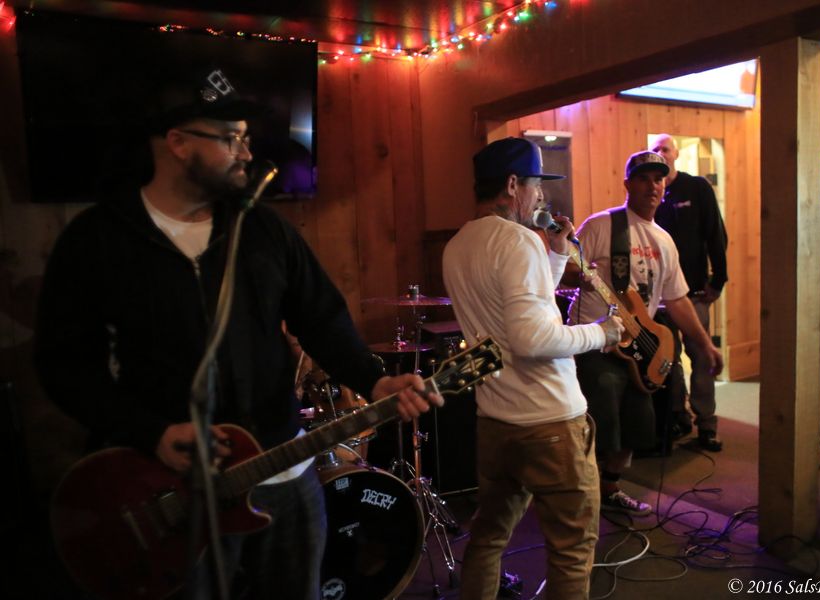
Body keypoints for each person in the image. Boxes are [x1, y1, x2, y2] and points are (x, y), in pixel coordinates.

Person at [33, 66, 442, 600]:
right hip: (174, 490)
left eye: (246, 138)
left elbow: (321, 317)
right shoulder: (98, 240)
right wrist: (150, 432)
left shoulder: (265, 231)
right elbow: (64, 365)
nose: (247, 153)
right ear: (178, 142)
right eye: (230, 139)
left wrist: (374, 380)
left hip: (285, 476)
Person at [442, 137, 624, 599]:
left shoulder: (458, 245)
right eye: (536, 185)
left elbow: (524, 309)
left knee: (488, 537)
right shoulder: (518, 240)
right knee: (571, 549)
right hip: (549, 424)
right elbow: (533, 338)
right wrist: (601, 333)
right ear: (511, 185)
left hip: (496, 422)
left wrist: (558, 253)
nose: (541, 195)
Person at [568, 150, 723, 516]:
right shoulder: (602, 225)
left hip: (639, 348)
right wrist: (580, 278)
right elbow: (564, 269)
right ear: (628, 184)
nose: (652, 186)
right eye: (643, 178)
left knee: (638, 425)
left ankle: (610, 488)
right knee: (602, 421)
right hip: (597, 343)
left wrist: (705, 345)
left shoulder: (664, 241)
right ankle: (582, 496)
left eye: (658, 179)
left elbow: (677, 300)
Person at [650, 134, 729, 451]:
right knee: (669, 361)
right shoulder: (652, 194)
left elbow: (716, 234)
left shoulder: (697, 188)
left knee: (702, 356)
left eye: (665, 149)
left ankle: (707, 424)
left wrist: (718, 279)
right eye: (655, 149)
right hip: (660, 298)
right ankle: (677, 417)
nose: (661, 153)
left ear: (676, 154)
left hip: (695, 293)